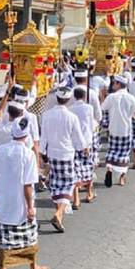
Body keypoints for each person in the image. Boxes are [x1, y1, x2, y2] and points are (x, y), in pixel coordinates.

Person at [0, 118, 51, 269]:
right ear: (27, 134)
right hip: (21, 202)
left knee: (3, 239)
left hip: (4, 200)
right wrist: (30, 206)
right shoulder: (27, 154)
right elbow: (27, 184)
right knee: (29, 236)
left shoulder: (1, 150)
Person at [39, 87, 88, 233]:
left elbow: (44, 136)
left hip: (52, 153)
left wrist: (40, 153)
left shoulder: (46, 115)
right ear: (68, 100)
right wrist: (85, 147)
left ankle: (59, 215)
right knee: (68, 184)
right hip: (66, 154)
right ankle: (59, 213)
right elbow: (79, 136)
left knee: (55, 185)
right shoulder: (71, 117)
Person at [100, 75, 135, 186]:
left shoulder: (112, 97)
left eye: (115, 83)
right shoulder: (131, 98)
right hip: (126, 130)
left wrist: (102, 95)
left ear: (118, 84)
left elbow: (103, 107)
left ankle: (109, 169)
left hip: (113, 130)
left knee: (112, 152)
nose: (113, 85)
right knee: (124, 155)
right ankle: (121, 179)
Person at [67, 87, 97, 208]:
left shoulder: (70, 109)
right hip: (86, 141)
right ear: (84, 96)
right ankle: (89, 193)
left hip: (73, 143)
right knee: (88, 168)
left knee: (75, 170)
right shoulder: (89, 108)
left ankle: (76, 199)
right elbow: (90, 125)